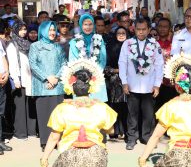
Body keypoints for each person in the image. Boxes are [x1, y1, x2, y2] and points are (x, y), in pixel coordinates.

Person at [138, 53, 191, 167]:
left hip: (177, 154)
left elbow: (156, 136)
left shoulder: (170, 106)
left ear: (177, 86)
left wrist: (143, 159)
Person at [40, 58, 117, 167]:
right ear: (91, 87)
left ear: (71, 87)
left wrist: (44, 158)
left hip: (70, 155)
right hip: (96, 156)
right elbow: (111, 131)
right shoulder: (102, 107)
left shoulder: (62, 108)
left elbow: (54, 137)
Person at [119, 18, 164, 150]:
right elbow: (122, 64)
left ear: (149, 29)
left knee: (149, 114)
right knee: (132, 114)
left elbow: (159, 65)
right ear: (134, 29)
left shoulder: (155, 44)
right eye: (138, 29)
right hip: (132, 85)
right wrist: (124, 82)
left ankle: (146, 137)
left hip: (149, 85)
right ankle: (131, 138)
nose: (141, 32)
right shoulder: (127, 43)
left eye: (144, 29)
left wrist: (157, 84)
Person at [29, 21, 67, 151]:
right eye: (49, 30)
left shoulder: (58, 47)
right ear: (43, 31)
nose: (52, 32)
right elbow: (33, 65)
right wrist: (47, 78)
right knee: (44, 115)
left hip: (57, 85)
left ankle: (57, 140)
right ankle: (45, 142)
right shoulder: (35, 46)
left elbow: (64, 63)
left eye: (53, 30)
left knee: (57, 115)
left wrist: (56, 78)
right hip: (42, 85)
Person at [6, 20, 37, 140]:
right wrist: (15, 78)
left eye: (25, 29)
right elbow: (12, 63)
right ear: (15, 30)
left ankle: (31, 131)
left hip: (29, 78)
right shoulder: (12, 45)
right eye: (21, 29)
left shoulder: (27, 43)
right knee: (19, 107)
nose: (23, 32)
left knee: (30, 105)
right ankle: (20, 133)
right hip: (19, 79)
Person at [69, 13, 108, 102]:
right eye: (85, 24)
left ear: (94, 25)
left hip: (96, 78)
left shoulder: (99, 39)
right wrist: (84, 75)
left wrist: (94, 72)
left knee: (97, 108)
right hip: (80, 80)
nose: (88, 27)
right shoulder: (74, 42)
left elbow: (103, 59)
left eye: (90, 24)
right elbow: (72, 61)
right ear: (81, 25)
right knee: (82, 108)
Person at [105, 26, 128, 139]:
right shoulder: (110, 47)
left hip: (128, 81)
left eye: (123, 33)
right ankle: (115, 130)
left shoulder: (131, 47)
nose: (121, 35)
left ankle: (125, 130)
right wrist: (117, 70)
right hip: (114, 83)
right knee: (115, 107)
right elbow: (106, 67)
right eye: (119, 33)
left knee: (127, 107)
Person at [156, 18, 177, 110]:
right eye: (160, 26)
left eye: (165, 27)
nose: (162, 29)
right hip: (155, 83)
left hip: (170, 83)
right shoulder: (152, 43)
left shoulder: (175, 44)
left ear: (170, 29)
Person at [0, 41, 12, 155]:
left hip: (2, 81)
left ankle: (0, 140)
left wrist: (7, 73)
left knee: (0, 113)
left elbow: (3, 57)